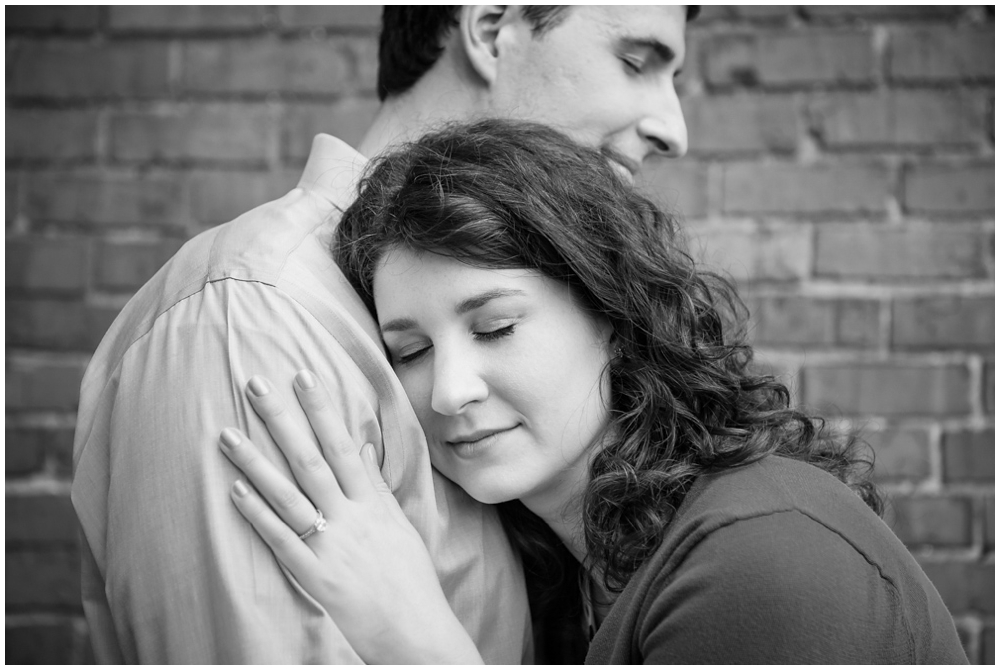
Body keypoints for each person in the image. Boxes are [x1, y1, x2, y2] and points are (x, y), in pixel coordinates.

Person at [71, 5, 693, 663]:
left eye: (495, 327)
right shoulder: (255, 322)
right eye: (633, 61)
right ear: (490, 29)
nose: (673, 130)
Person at [218, 120, 969, 664]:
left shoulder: (763, 555)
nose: (447, 392)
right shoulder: (569, 585)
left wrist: (415, 644)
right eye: (408, 351)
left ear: (612, 316)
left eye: (496, 327)